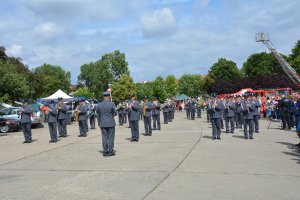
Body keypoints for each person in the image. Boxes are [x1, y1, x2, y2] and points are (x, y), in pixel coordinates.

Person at [96, 92, 117, 157]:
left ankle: (105, 151)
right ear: (109, 97)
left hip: (102, 123)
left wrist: (99, 122)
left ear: (103, 97)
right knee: (110, 137)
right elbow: (115, 112)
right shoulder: (112, 104)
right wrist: (111, 116)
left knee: (104, 137)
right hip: (110, 123)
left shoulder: (99, 105)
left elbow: (97, 114)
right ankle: (110, 151)